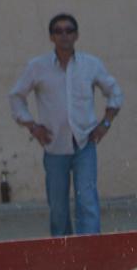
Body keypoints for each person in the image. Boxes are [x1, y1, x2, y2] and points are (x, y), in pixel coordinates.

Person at [9, 13, 123, 236]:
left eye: (69, 30)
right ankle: (62, 250)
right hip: (54, 146)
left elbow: (115, 92)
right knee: (58, 207)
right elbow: (16, 96)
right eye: (58, 31)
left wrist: (106, 123)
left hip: (84, 143)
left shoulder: (91, 65)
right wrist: (32, 126)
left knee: (87, 201)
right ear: (51, 37)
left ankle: (90, 248)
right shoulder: (37, 67)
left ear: (76, 35)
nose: (64, 35)